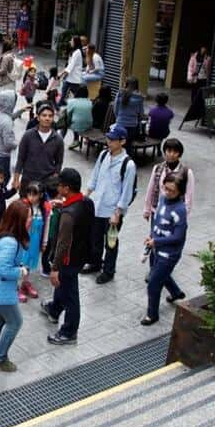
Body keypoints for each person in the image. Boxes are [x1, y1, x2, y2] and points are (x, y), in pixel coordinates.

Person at [41, 169, 94, 345]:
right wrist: (63, 206)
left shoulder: (68, 216)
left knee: (71, 296)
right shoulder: (86, 202)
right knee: (64, 287)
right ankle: (54, 309)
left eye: (60, 185)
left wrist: (55, 269)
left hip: (67, 260)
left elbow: (63, 244)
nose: (58, 188)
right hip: (81, 255)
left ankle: (69, 332)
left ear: (66, 188)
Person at [0, 201, 30, 371]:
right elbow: (5, 270)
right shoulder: (10, 242)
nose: (30, 219)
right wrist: (21, 271)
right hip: (2, 292)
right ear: (19, 220)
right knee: (15, 322)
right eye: (28, 217)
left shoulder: (4, 234)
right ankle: (0, 357)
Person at [86, 125, 137, 285]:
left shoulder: (128, 165)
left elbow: (127, 192)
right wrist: (86, 195)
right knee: (94, 238)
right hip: (97, 206)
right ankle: (95, 263)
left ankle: (108, 271)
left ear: (122, 141)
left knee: (111, 242)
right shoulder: (103, 155)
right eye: (108, 138)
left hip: (112, 211)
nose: (109, 142)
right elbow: (94, 177)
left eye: (113, 140)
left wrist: (118, 212)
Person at [142, 174, 188, 325]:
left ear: (180, 192)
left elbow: (178, 237)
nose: (167, 193)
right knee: (161, 274)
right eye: (165, 188)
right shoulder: (162, 199)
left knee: (154, 283)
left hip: (169, 254)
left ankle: (152, 314)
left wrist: (156, 241)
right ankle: (176, 292)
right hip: (157, 247)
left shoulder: (180, 210)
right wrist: (151, 237)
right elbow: (158, 221)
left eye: (171, 191)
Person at [13, 104, 65, 191]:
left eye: (50, 116)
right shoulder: (28, 135)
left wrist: (55, 178)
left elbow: (59, 162)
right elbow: (20, 159)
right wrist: (16, 179)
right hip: (28, 180)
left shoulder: (58, 139)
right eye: (44, 115)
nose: (47, 118)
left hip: (47, 182)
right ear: (38, 118)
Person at [144, 138, 196, 221]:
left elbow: (189, 196)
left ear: (180, 154)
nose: (171, 154)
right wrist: (147, 209)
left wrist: (184, 215)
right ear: (165, 152)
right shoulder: (157, 168)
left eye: (175, 152)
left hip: (175, 214)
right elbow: (151, 190)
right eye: (169, 151)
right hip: (157, 211)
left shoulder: (187, 172)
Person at [20, 181, 49, 293]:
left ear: (41, 195)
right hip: (23, 240)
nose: (31, 197)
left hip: (35, 241)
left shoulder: (45, 210)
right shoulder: (23, 206)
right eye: (29, 194)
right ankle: (18, 286)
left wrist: (44, 243)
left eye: (34, 194)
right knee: (21, 262)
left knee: (29, 263)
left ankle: (25, 283)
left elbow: (46, 226)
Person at [0, 90, 22, 184]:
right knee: (4, 179)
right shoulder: (7, 122)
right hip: (3, 156)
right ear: (10, 104)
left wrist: (21, 111)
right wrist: (18, 143)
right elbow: (8, 143)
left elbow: (9, 117)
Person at [59, 37, 85, 104]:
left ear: (75, 42)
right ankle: (60, 105)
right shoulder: (75, 51)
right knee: (64, 92)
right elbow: (69, 65)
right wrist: (64, 74)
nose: (70, 42)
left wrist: (62, 73)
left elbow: (71, 66)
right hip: (71, 77)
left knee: (75, 95)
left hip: (74, 78)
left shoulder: (77, 52)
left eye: (71, 40)